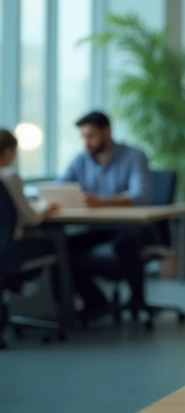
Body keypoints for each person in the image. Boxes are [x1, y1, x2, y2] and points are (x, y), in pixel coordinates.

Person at [58, 111, 154, 315]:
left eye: (91, 136)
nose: (86, 142)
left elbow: (141, 195)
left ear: (106, 131)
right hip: (98, 228)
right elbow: (60, 188)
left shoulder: (133, 156)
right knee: (62, 246)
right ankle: (95, 302)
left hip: (132, 227)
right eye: (83, 136)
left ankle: (138, 300)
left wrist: (102, 201)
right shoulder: (81, 160)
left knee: (125, 243)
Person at [0, 128, 60, 279]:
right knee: (61, 244)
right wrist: (46, 209)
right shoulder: (9, 177)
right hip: (10, 248)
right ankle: (64, 300)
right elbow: (32, 219)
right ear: (8, 151)